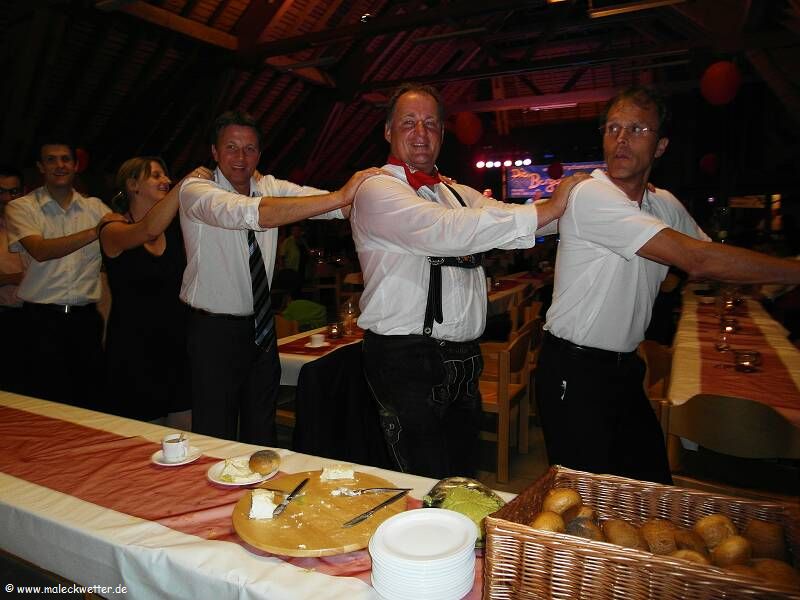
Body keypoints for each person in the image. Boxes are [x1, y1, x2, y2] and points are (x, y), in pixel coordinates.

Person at [536, 85, 800, 485]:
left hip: (625, 368)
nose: (621, 139)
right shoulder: (590, 195)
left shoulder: (664, 203)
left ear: (660, 146)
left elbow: (709, 259)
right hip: (574, 368)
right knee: (585, 497)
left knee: (652, 484)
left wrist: (758, 279)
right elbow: (697, 259)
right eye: (613, 128)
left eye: (637, 129)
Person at [350, 83, 584, 479]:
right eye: (409, 123)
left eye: (431, 124)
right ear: (388, 131)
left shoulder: (456, 192)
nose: (421, 133)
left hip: (463, 358)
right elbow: (447, 229)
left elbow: (507, 218)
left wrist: (588, 197)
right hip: (406, 359)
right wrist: (549, 208)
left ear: (442, 133)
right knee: (423, 482)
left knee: (461, 478)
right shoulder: (377, 190)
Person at [179, 109, 385, 445]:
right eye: (231, 147)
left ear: (259, 154)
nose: (241, 157)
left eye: (249, 148)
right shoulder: (196, 190)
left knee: (262, 426)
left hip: (261, 326)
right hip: (213, 331)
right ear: (214, 151)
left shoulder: (268, 186)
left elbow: (332, 206)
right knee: (216, 431)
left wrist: (382, 187)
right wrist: (340, 196)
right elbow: (252, 214)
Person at [6, 141, 123, 408]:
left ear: (76, 165)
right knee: (45, 405)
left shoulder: (96, 208)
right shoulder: (22, 207)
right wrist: (95, 231)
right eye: (51, 159)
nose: (60, 165)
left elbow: (120, 244)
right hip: (41, 320)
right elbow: (40, 250)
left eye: (65, 159)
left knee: (91, 401)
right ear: (40, 167)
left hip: (85, 319)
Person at [99, 157, 212, 428]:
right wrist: (185, 183)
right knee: (144, 437)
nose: (166, 181)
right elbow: (148, 229)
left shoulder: (175, 230)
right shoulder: (111, 228)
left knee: (186, 435)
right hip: (134, 349)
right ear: (132, 185)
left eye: (166, 176)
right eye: (156, 175)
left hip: (177, 345)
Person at [0, 166, 26, 392]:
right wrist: (14, 278)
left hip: (35, 316)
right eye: (1, 191)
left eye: (14, 191)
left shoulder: (34, 225)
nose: (7, 198)